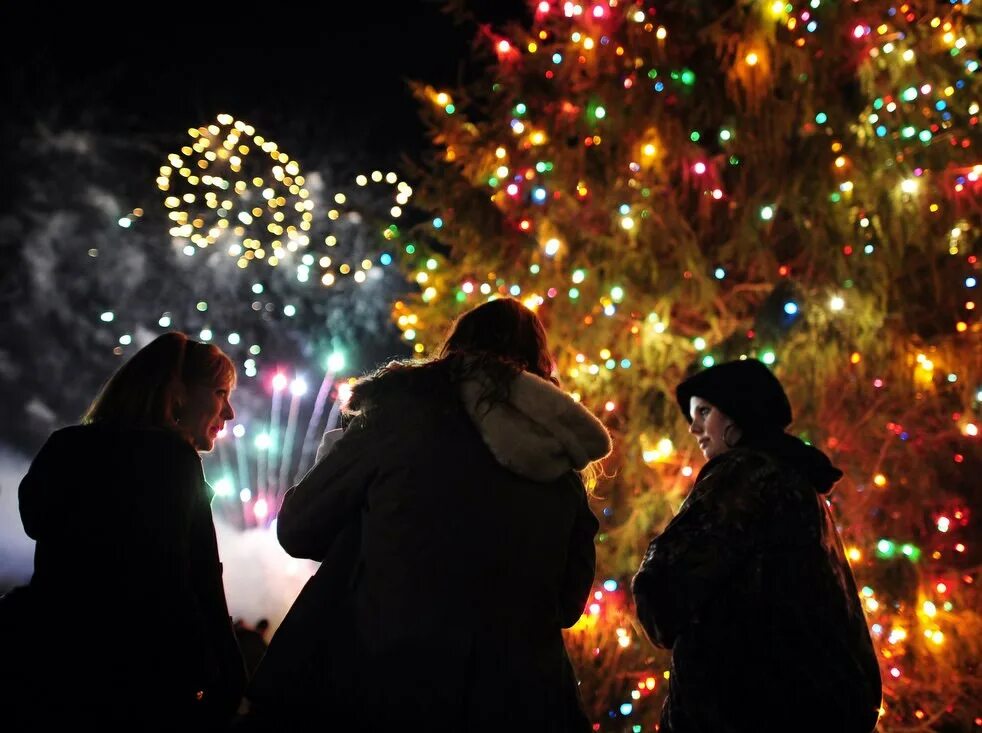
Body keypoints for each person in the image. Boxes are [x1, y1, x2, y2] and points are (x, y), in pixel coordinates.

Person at [248, 298, 611, 732]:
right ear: (540, 365)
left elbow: (299, 529)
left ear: (455, 348)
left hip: (385, 681)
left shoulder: (398, 417)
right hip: (517, 699)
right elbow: (568, 604)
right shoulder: (561, 462)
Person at [6, 332, 246, 730]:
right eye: (221, 393)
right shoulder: (174, 462)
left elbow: (37, 521)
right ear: (179, 393)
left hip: (50, 667)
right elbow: (192, 584)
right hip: (139, 686)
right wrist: (226, 678)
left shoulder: (65, 446)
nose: (230, 413)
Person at [631, 359, 882, 733]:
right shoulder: (799, 484)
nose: (693, 426)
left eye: (704, 411)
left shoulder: (744, 476)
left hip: (746, 710)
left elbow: (665, 587)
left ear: (737, 414)